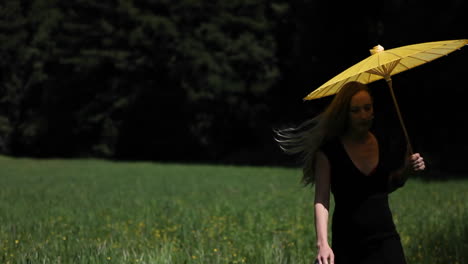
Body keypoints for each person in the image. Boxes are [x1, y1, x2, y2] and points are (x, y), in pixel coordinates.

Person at [274, 81, 425, 264]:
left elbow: (387, 185)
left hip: (386, 241)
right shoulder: (329, 152)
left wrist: (407, 170)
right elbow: (322, 199)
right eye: (355, 110)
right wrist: (322, 244)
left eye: (367, 108)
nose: (363, 115)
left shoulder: (383, 142)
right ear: (345, 114)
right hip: (348, 245)